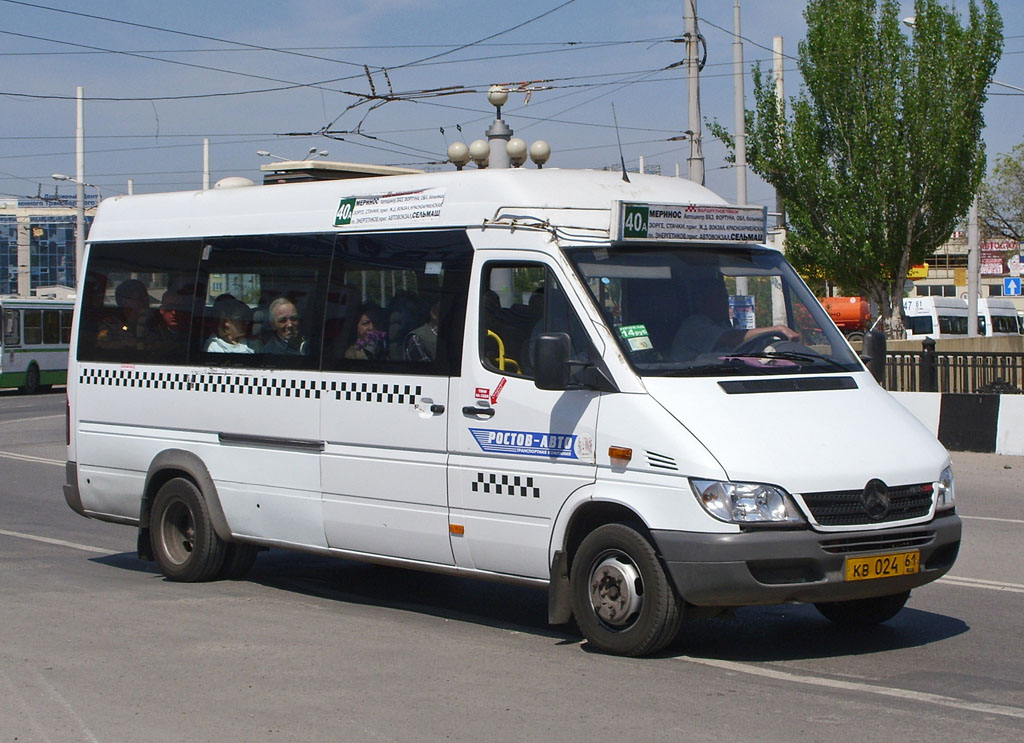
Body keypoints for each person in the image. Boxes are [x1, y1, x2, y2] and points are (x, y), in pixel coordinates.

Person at [671, 279, 797, 360]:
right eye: (717, 299)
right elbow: (733, 338)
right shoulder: (695, 325)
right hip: (690, 378)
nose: (724, 303)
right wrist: (776, 329)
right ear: (701, 303)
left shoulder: (720, 324)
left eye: (724, 298)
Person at [97, 278, 152, 349]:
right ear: (124, 302)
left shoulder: (154, 324)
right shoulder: (110, 325)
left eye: (146, 298)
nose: (145, 302)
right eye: (139, 298)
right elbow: (103, 345)